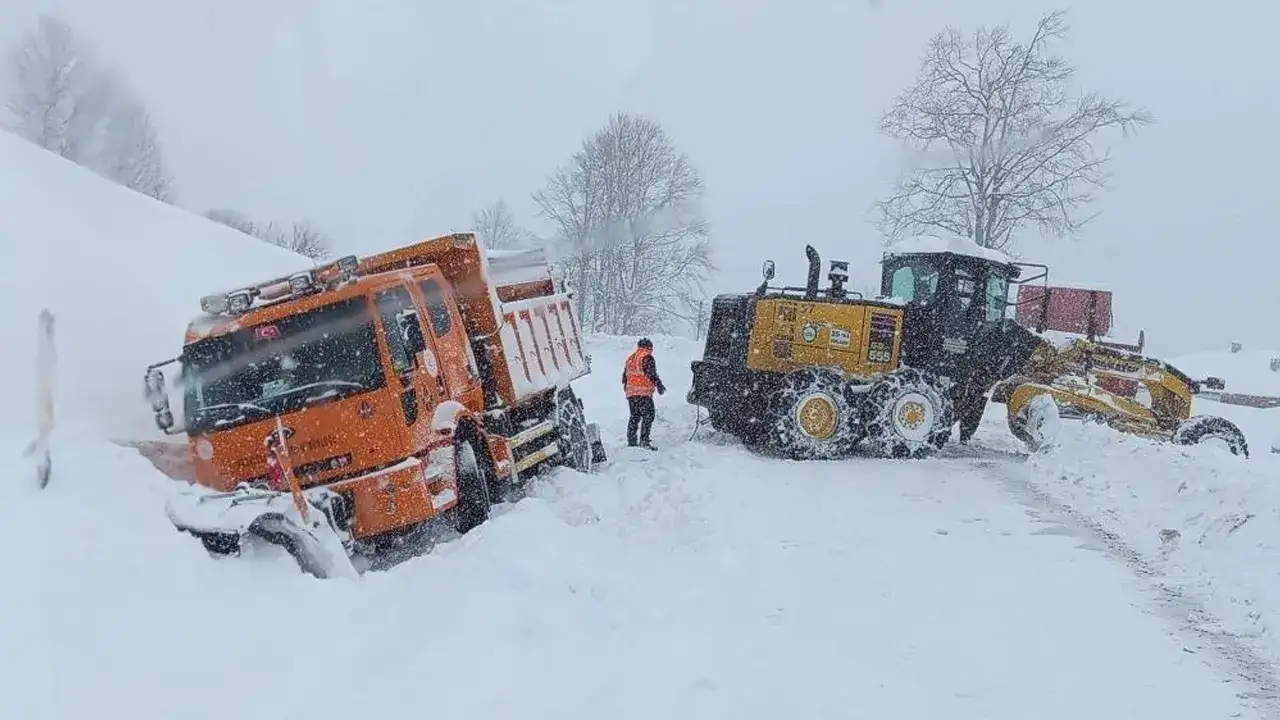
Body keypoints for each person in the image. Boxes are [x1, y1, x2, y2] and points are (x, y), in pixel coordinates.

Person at [622, 337, 665, 449]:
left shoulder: (631, 358)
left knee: (634, 417)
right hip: (643, 393)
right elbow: (651, 374)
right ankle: (644, 441)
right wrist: (659, 385)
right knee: (649, 416)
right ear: (649, 347)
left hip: (631, 393)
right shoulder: (647, 357)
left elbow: (624, 377)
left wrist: (628, 389)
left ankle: (632, 442)